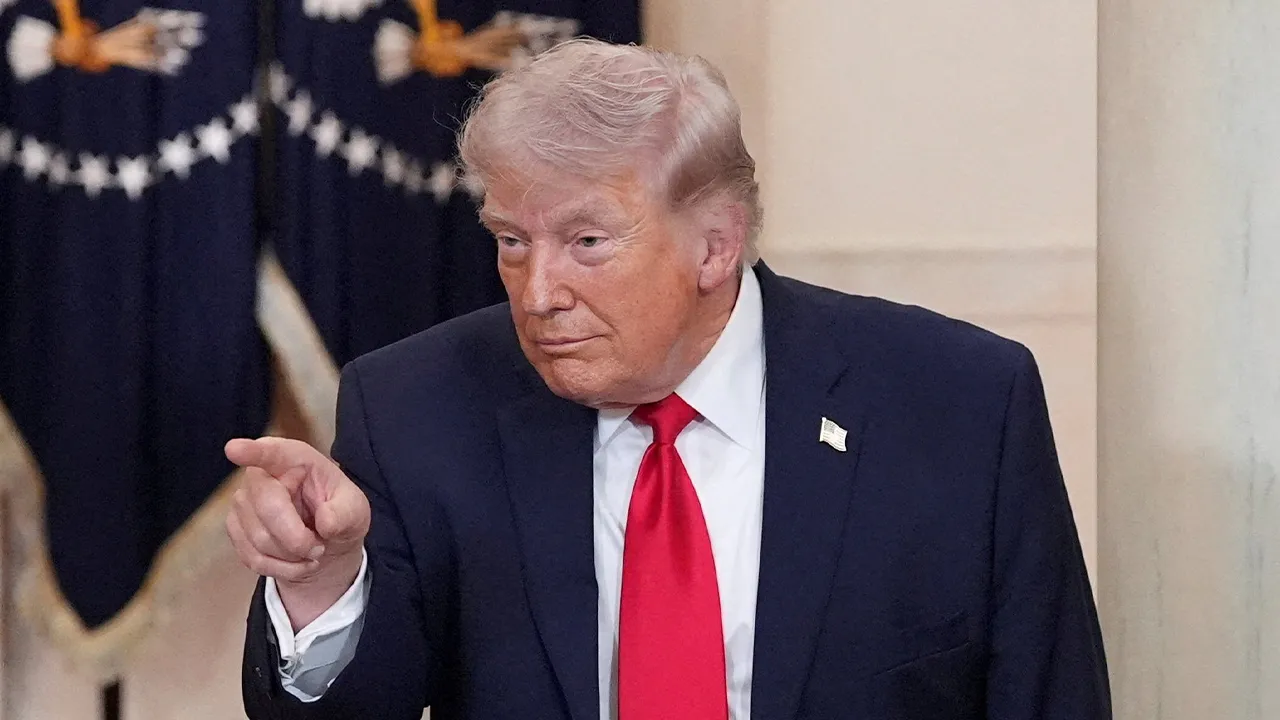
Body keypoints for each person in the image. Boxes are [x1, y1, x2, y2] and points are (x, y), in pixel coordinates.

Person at [226, 39, 1110, 720]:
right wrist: (324, 585)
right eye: (512, 241)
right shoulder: (415, 407)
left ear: (715, 247)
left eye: (587, 242)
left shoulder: (957, 403)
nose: (538, 293)